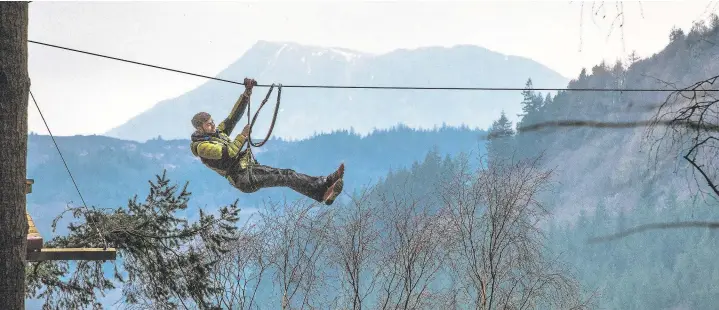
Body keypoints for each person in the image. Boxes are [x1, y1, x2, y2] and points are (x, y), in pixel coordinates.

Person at [189, 78, 344, 205]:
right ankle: (324, 193)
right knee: (286, 176)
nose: (213, 125)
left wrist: (246, 94)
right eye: (209, 124)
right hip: (243, 178)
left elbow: (232, 117)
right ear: (200, 129)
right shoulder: (202, 147)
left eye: (212, 121)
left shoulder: (217, 133)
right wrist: (242, 136)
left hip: (248, 169)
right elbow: (229, 153)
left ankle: (326, 183)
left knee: (287, 174)